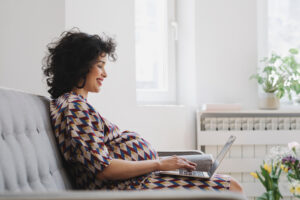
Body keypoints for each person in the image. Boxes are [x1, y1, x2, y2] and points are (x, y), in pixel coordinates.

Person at [42, 29, 243, 192]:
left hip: (135, 183)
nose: (105, 73)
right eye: (100, 65)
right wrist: (158, 164)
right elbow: (104, 169)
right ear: (81, 66)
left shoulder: (74, 104)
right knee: (231, 188)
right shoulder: (74, 107)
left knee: (226, 183)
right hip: (126, 189)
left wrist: (161, 164)